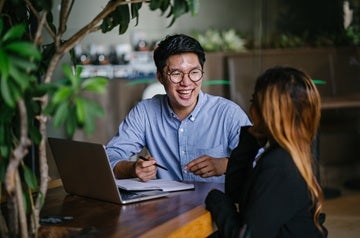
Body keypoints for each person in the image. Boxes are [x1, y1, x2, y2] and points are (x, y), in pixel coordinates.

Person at [105, 34, 251, 183]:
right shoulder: (145, 113)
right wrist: (132, 168)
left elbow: (260, 163)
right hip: (166, 205)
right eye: (176, 74)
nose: (186, 83)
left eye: (194, 72)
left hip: (216, 204)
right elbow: (109, 157)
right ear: (160, 77)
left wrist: (226, 165)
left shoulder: (228, 114)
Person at [205, 66, 328, 237]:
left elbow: (246, 235)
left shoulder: (279, 164)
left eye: (254, 101)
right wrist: (250, 138)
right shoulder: (298, 151)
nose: (250, 108)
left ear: (268, 112)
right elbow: (237, 194)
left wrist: (216, 201)